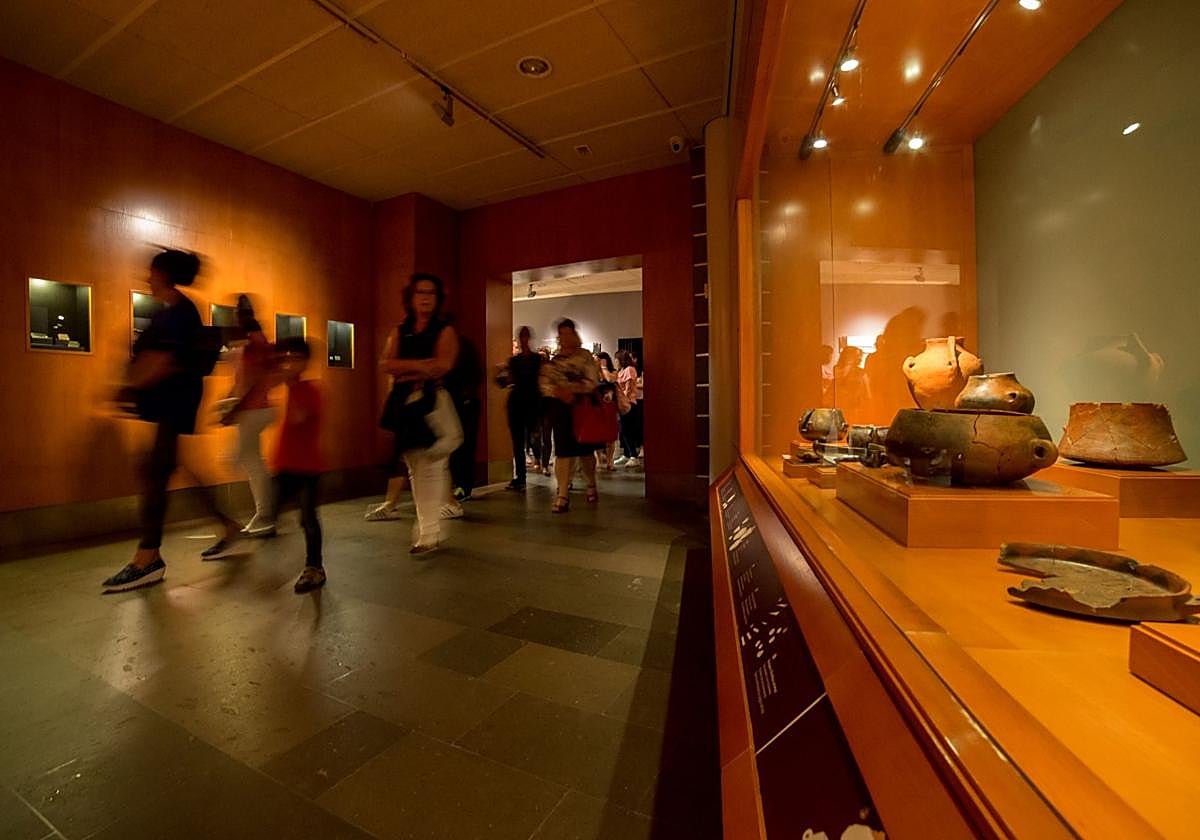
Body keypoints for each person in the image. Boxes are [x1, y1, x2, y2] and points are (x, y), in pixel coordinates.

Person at [102, 249, 242, 591]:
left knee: (155, 476)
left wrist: (127, 386)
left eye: (151, 271)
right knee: (165, 469)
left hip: (172, 404)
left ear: (164, 274)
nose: (147, 277)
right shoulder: (177, 310)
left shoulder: (178, 313)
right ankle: (226, 525)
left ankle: (147, 558)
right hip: (172, 403)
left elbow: (162, 361)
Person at [378, 274, 463, 553]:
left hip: (430, 403)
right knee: (416, 467)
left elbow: (443, 365)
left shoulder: (444, 330)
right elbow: (386, 363)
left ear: (437, 299)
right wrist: (420, 365)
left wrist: (406, 367)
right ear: (411, 297)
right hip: (406, 403)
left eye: (431, 293)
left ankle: (429, 532)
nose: (425, 298)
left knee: (430, 465)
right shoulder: (401, 329)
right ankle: (429, 531)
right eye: (420, 292)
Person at [269, 337, 326, 593]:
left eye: (293, 358)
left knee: (308, 519)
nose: (288, 364)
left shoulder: (310, 390)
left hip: (307, 467)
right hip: (285, 464)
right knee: (272, 514)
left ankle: (315, 568)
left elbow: (300, 417)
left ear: (304, 362)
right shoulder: (289, 388)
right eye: (284, 359)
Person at [220, 295, 276, 536]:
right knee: (251, 461)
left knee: (243, 460)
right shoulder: (252, 343)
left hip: (254, 410)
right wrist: (229, 402)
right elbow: (243, 381)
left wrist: (233, 406)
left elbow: (250, 382)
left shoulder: (253, 343)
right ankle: (266, 513)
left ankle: (265, 514)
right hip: (255, 409)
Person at [540, 319, 601, 513]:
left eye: (568, 333)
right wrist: (558, 392)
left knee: (585, 451)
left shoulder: (584, 356)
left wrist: (572, 389)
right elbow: (545, 385)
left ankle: (591, 484)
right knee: (563, 452)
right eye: (562, 334)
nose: (565, 338)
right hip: (561, 411)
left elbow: (593, 381)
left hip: (582, 409)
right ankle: (563, 495)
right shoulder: (554, 361)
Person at [499, 326, 544, 491]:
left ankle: (525, 473)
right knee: (519, 441)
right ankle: (521, 475)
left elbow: (509, 380)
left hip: (526, 401)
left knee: (530, 438)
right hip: (522, 402)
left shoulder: (530, 360)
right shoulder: (525, 360)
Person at [444, 330, 483, 509]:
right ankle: (461, 485)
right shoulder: (462, 345)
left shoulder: (459, 347)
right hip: (460, 401)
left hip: (460, 402)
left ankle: (461, 485)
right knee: (462, 445)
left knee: (461, 445)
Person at [614, 349, 642, 467]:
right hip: (622, 405)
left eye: (616, 359)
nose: (615, 361)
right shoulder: (621, 371)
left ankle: (633, 456)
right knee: (623, 431)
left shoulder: (629, 370)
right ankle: (626, 454)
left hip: (629, 404)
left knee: (627, 430)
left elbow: (628, 388)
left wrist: (623, 400)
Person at [594, 352, 620, 470]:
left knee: (610, 435)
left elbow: (610, 379)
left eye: (598, 360)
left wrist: (604, 367)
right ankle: (599, 460)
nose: (597, 362)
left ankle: (610, 461)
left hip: (609, 407)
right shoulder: (593, 373)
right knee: (597, 435)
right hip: (596, 407)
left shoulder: (612, 371)